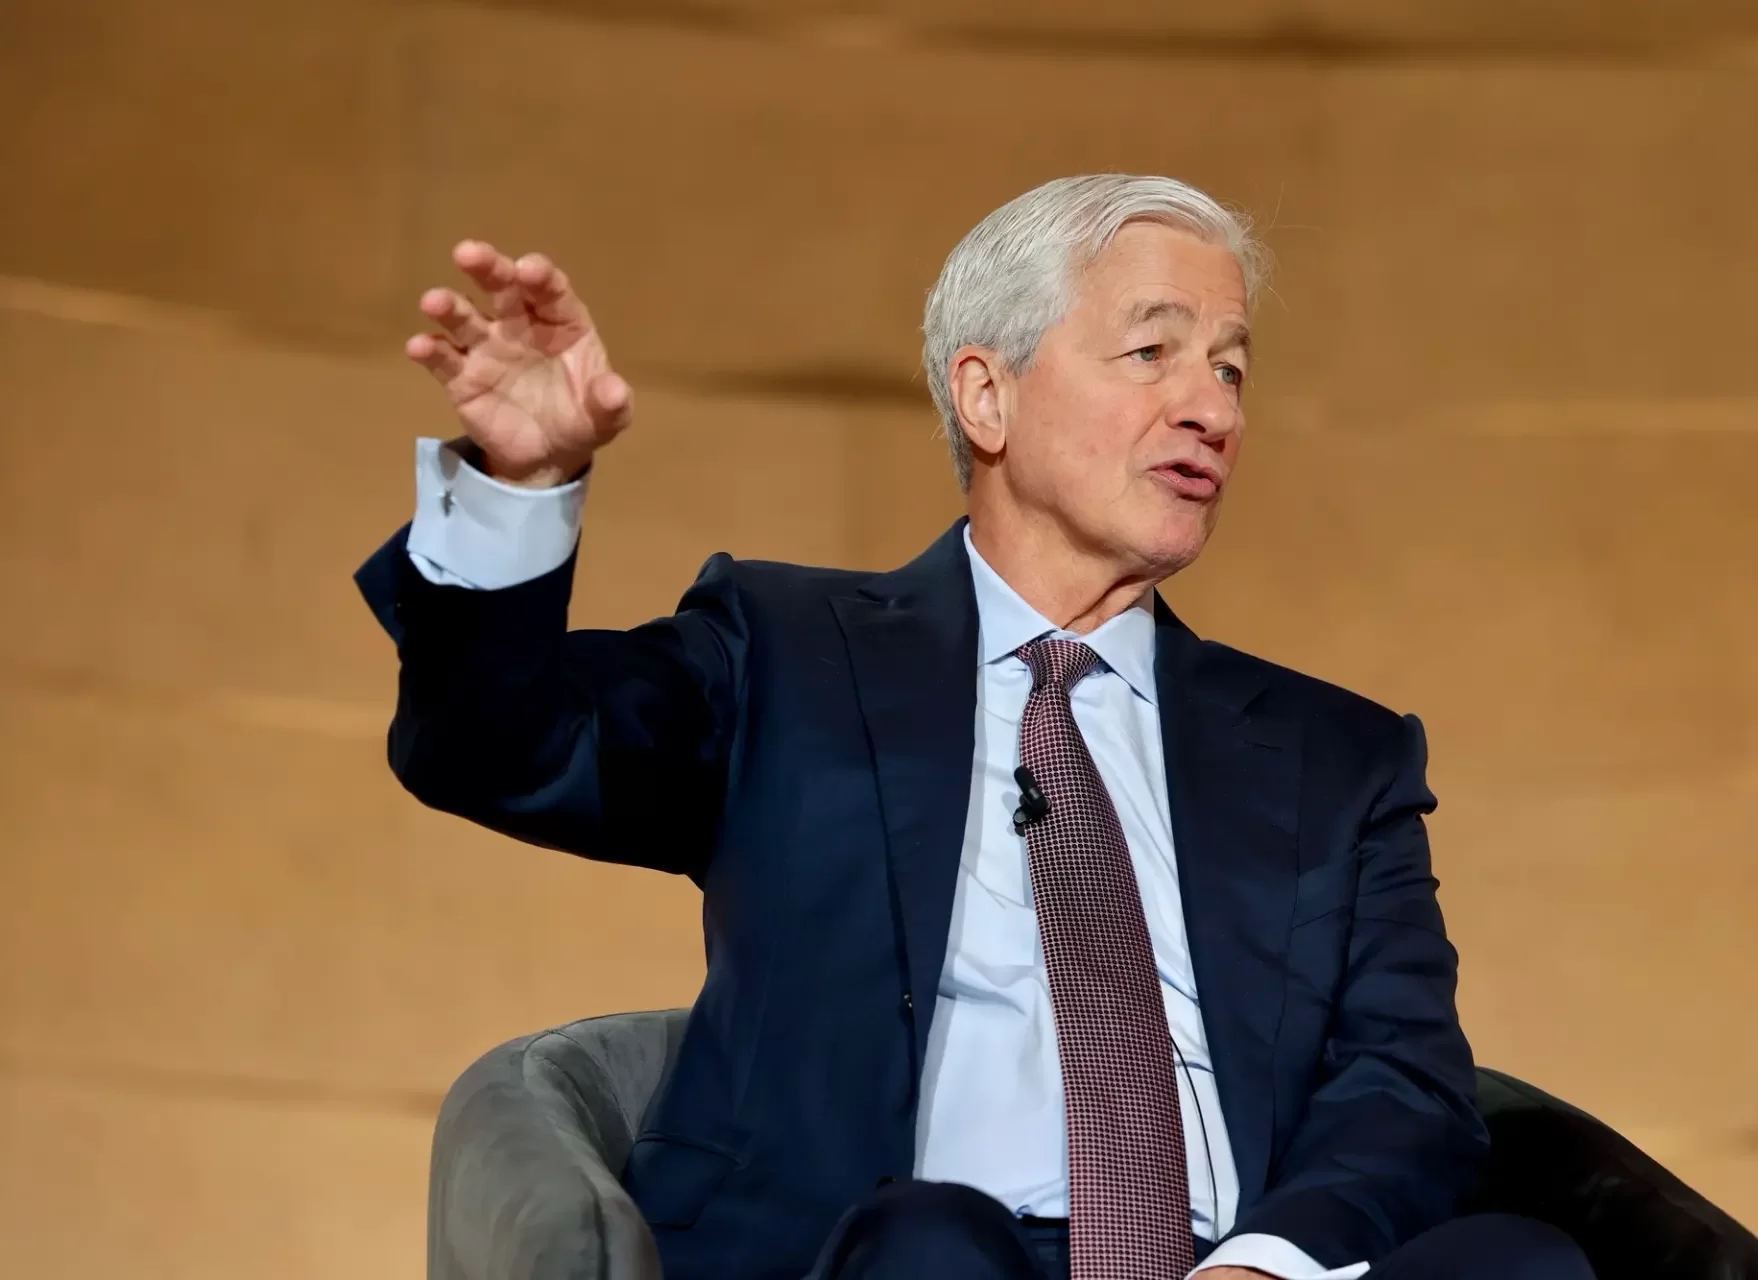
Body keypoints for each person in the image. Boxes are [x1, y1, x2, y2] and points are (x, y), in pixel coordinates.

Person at [356, 174, 1592, 1280]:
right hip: (905, 1249)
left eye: (1230, 368)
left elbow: (1405, 1085)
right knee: (931, 1241)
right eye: (1152, 350)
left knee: (1528, 1262)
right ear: (987, 395)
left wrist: (1265, 1268)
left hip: (1237, 1264)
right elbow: (498, 746)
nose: (1211, 409)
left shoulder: (1339, 758)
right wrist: (524, 486)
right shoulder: (788, 650)